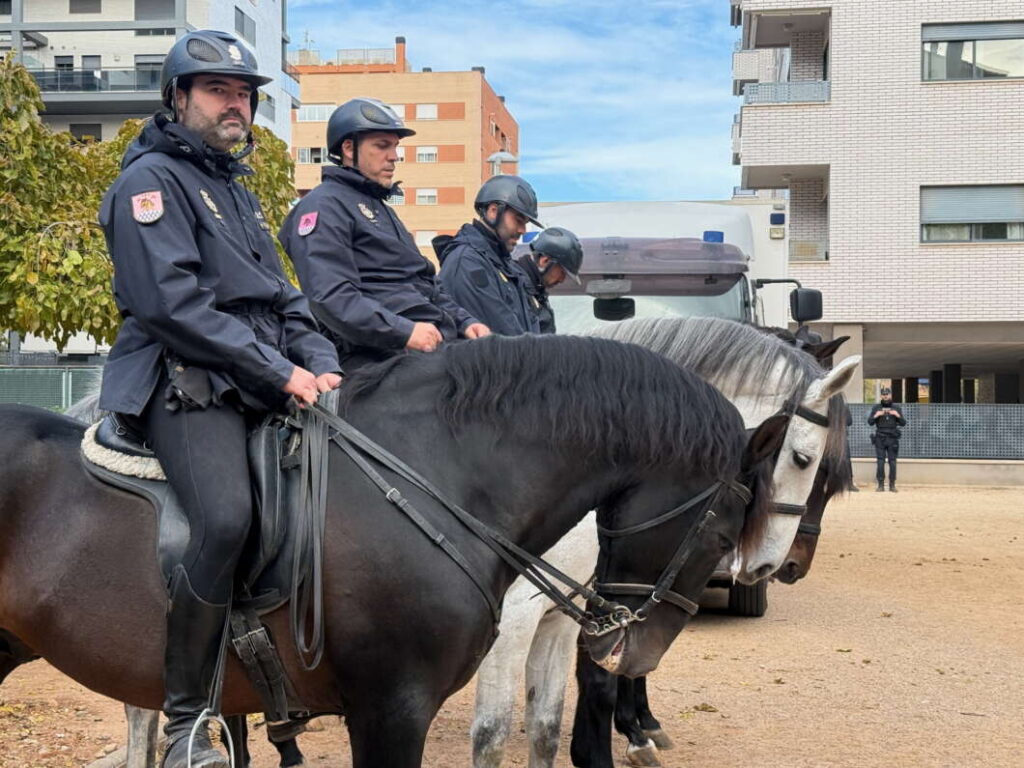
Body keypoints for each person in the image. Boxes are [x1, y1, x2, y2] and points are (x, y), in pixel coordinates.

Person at [97, 30, 341, 768]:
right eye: (217, 91)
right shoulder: (150, 182)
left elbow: (285, 297)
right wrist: (279, 372)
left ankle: (278, 681)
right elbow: (172, 305)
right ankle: (185, 723)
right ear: (178, 98)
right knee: (228, 516)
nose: (235, 104)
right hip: (185, 381)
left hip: (258, 375)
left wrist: (323, 364)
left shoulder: (235, 188)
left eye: (243, 93)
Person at [280, 98, 488, 369]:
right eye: (382, 146)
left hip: (427, 343)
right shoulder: (323, 206)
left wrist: (465, 321)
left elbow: (426, 282)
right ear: (348, 148)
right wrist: (403, 331)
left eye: (395, 147)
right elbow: (330, 297)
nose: (394, 156)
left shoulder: (382, 210)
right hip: (375, 357)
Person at [437, 175, 543, 335]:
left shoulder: (505, 266)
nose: (523, 230)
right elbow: (505, 339)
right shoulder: (468, 262)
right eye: (518, 220)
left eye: (525, 223)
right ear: (493, 211)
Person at [516, 226, 583, 334]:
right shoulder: (515, 288)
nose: (562, 280)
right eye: (562, 272)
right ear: (545, 261)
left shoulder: (536, 291)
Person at [868, 387, 906, 492]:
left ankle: (892, 484)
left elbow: (903, 423)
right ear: (881, 395)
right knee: (880, 461)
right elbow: (870, 422)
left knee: (892, 462)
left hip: (892, 437)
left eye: (887, 394)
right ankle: (880, 484)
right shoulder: (876, 407)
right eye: (883, 394)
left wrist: (897, 415)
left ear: (890, 395)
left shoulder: (896, 407)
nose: (885, 396)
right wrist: (876, 415)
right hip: (880, 437)